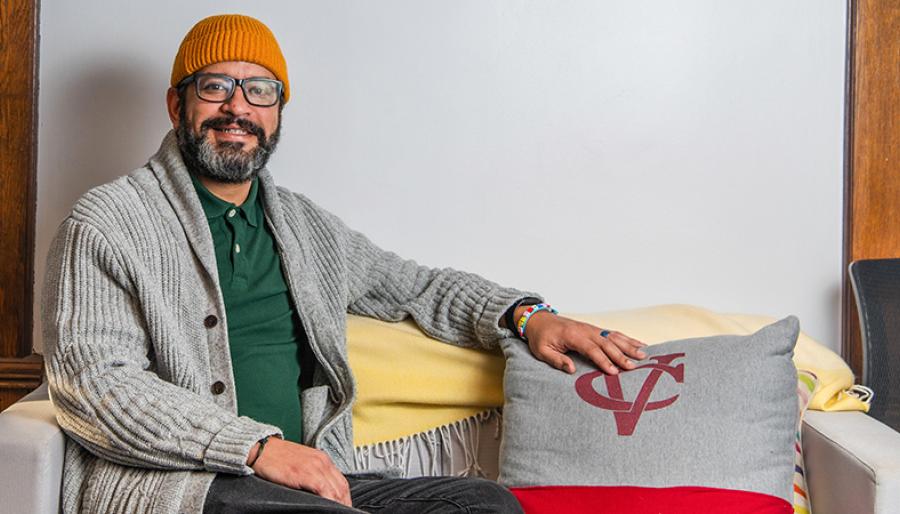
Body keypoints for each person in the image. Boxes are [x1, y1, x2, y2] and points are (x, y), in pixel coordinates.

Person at [42, 14, 647, 514]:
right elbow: (97, 385)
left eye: (260, 90)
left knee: (486, 505)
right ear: (177, 103)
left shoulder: (305, 228)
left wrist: (528, 316)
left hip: (316, 482)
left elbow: (418, 287)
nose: (238, 107)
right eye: (215, 86)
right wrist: (254, 449)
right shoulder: (108, 222)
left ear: (277, 112)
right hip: (185, 487)